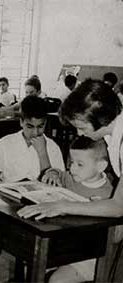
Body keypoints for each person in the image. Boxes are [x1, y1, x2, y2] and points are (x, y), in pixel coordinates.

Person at [17, 79, 123, 280]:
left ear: (100, 117)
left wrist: (61, 205)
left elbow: (119, 206)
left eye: (81, 126)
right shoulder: (112, 136)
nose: (78, 133)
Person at [41, 136, 113, 283]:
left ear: (101, 166)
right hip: (65, 246)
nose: (72, 168)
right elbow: (59, 172)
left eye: (80, 164)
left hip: (92, 255)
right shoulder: (72, 177)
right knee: (37, 262)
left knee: (56, 280)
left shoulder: (110, 196)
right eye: (71, 162)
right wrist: (52, 172)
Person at [0, 95, 65, 182]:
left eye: (40, 126)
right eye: (30, 127)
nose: (35, 133)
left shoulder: (53, 148)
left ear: (45, 123)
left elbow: (58, 183)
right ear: (21, 122)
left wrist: (42, 153)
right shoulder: (6, 143)